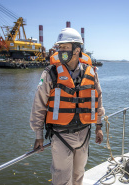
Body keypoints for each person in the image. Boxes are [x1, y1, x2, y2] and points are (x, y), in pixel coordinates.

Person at [30, 27, 105, 185]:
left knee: (78, 174)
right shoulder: (50, 73)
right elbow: (39, 105)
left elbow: (98, 100)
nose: (60, 51)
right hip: (61, 135)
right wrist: (38, 134)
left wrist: (99, 126)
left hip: (84, 133)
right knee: (62, 178)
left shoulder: (91, 73)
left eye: (65, 47)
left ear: (77, 50)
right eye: (59, 47)